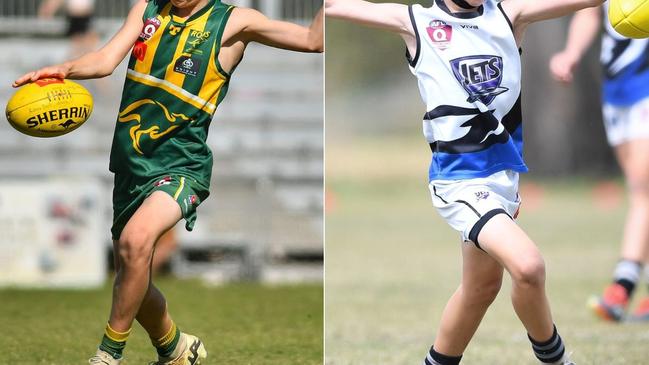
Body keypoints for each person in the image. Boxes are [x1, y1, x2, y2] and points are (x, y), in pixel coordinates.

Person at [13, 1, 323, 364]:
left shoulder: (233, 22)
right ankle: (175, 348)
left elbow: (313, 40)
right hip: (131, 162)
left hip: (181, 164)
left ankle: (108, 355)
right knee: (132, 274)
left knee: (136, 241)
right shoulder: (148, 9)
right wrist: (65, 69)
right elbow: (105, 60)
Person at [325, 0, 603, 364]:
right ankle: (557, 360)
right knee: (529, 266)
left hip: (503, 180)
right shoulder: (417, 22)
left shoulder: (508, 16)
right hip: (459, 183)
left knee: (480, 289)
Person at [550, 4, 649, 323]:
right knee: (640, 193)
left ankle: (623, 286)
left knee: (643, 186)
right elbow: (589, 11)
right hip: (617, 86)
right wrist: (571, 52)